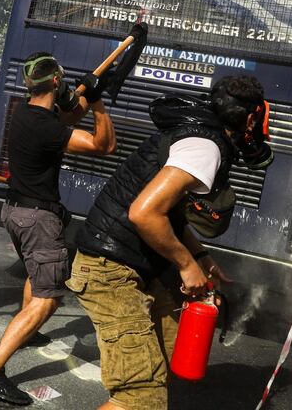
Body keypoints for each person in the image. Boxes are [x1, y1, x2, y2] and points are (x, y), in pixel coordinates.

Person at [67, 75, 272, 410]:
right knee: (141, 398)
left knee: (171, 354)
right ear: (252, 118)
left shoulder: (200, 136)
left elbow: (168, 213)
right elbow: (145, 214)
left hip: (133, 264)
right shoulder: (205, 148)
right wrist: (187, 266)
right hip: (110, 270)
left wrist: (201, 256)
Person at [0, 51, 117, 405]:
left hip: (15, 213)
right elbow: (104, 144)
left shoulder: (25, 112)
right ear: (54, 82)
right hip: (37, 219)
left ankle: (27, 331)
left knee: (37, 273)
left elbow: (65, 113)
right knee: (48, 300)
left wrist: (90, 91)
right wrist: (97, 104)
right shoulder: (48, 127)